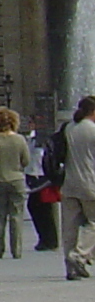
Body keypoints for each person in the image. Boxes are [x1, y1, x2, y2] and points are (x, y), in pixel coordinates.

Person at [0, 108, 32, 259]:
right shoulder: (20, 139)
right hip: (17, 180)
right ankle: (17, 250)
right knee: (16, 216)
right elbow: (26, 160)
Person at [56, 97, 95, 279]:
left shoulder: (69, 127)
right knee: (93, 223)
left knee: (69, 227)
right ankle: (78, 256)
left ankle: (69, 265)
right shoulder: (92, 130)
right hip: (89, 182)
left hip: (69, 183)